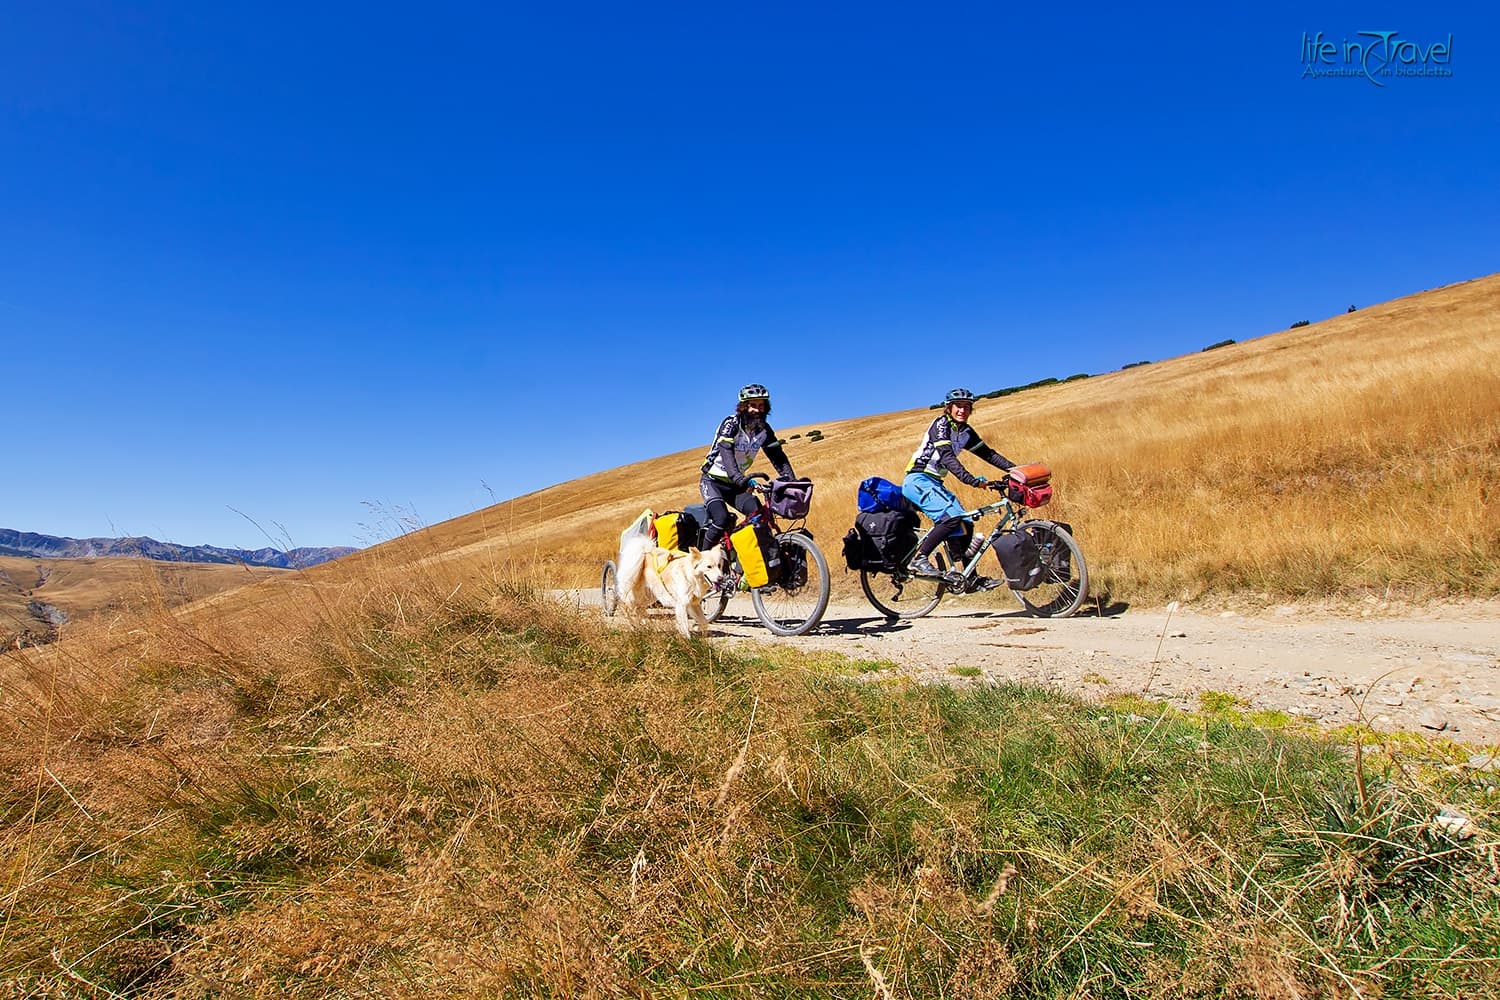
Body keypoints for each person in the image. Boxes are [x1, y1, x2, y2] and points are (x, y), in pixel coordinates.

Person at [902, 387, 1015, 580]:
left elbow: (988, 454)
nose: (962, 410)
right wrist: (969, 479)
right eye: (958, 406)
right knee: (951, 518)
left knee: (966, 522)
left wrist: (1016, 470)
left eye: (967, 407)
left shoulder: (966, 432)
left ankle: (966, 576)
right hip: (918, 479)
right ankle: (919, 558)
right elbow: (946, 457)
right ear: (949, 408)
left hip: (935, 482)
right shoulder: (941, 425)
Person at [698, 383, 796, 552]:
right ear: (743, 406)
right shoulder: (731, 424)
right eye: (752, 405)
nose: (757, 410)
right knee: (720, 519)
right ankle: (699, 560)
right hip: (713, 481)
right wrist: (738, 478)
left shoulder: (764, 430)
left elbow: (778, 457)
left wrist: (791, 481)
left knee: (758, 514)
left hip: (737, 484)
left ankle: (746, 562)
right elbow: (726, 452)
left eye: (761, 405)